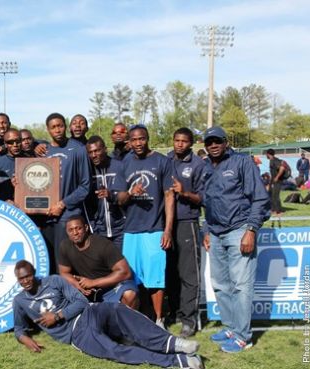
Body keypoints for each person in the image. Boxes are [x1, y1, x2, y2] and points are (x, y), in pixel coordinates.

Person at [12, 260, 203, 369]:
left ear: (34, 273)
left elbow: (81, 301)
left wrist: (58, 315)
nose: (26, 281)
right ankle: (180, 361)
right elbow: (19, 328)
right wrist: (25, 339)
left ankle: (173, 343)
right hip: (77, 334)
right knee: (114, 350)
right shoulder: (20, 301)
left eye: (28, 276)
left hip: (90, 312)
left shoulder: (53, 280)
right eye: (21, 278)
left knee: (119, 309)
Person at [202, 126, 270, 353]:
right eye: (209, 142)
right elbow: (207, 203)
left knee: (241, 286)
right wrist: (207, 231)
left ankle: (243, 337)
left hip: (239, 230)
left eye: (217, 141)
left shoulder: (242, 162)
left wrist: (251, 230)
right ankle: (231, 328)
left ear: (225, 142)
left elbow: (260, 199)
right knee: (221, 285)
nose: (213, 145)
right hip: (216, 233)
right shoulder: (205, 167)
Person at [118, 124, 174, 329]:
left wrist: (167, 230)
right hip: (131, 231)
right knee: (131, 279)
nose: (138, 143)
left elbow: (169, 196)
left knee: (156, 278)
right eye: (134, 140)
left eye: (141, 139)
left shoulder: (161, 161)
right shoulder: (125, 162)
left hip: (154, 229)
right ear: (129, 142)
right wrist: (131, 192)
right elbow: (120, 199)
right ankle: (135, 321)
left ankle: (159, 320)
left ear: (147, 138)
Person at [166, 128, 206, 337]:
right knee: (170, 272)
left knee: (189, 273)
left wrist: (184, 193)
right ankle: (174, 312)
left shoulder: (198, 165)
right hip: (166, 224)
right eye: (176, 140)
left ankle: (189, 320)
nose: (179, 144)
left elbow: (203, 198)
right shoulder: (166, 160)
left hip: (187, 222)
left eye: (184, 141)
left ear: (190, 143)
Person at [43, 113, 91, 272]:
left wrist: (63, 204)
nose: (58, 130)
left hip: (68, 215)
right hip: (46, 215)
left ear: (66, 126)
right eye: (53, 127)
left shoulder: (78, 149)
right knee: (49, 261)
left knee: (66, 263)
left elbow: (85, 186)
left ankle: (71, 295)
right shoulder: (44, 151)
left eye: (60, 126)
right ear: (48, 130)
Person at [58, 216, 138, 308]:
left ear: (86, 228)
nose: (75, 233)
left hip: (112, 287)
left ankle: (128, 321)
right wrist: (77, 285)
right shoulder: (65, 246)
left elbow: (125, 272)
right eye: (71, 230)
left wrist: (93, 282)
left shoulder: (103, 245)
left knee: (129, 295)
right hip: (88, 290)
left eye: (78, 228)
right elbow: (64, 272)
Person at [84, 136, 126, 250]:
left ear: (105, 149)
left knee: (123, 266)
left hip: (121, 230)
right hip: (99, 231)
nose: (94, 155)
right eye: (90, 152)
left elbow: (127, 195)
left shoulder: (120, 166)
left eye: (97, 151)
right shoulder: (87, 171)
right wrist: (93, 227)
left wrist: (112, 195)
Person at [0, 128, 23, 200]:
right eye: (10, 142)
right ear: (5, 144)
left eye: (18, 141)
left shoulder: (30, 160)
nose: (15, 145)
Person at [265, 148, 285, 216]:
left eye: (266, 154)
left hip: (277, 181)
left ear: (268, 154)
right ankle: (273, 210)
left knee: (275, 195)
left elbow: (282, 168)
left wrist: (277, 177)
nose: (266, 155)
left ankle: (279, 211)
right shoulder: (271, 160)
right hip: (273, 181)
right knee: (270, 195)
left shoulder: (275, 160)